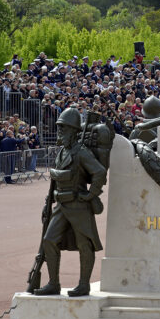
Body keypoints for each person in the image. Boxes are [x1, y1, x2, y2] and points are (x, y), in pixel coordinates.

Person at [34, 108, 108, 297]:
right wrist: (47, 204)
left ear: (74, 131)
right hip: (60, 205)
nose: (60, 132)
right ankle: (53, 283)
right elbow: (55, 182)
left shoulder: (81, 152)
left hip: (78, 205)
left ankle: (84, 284)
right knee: (49, 241)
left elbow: (99, 172)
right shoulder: (62, 152)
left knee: (85, 244)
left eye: (64, 129)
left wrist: (91, 194)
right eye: (59, 129)